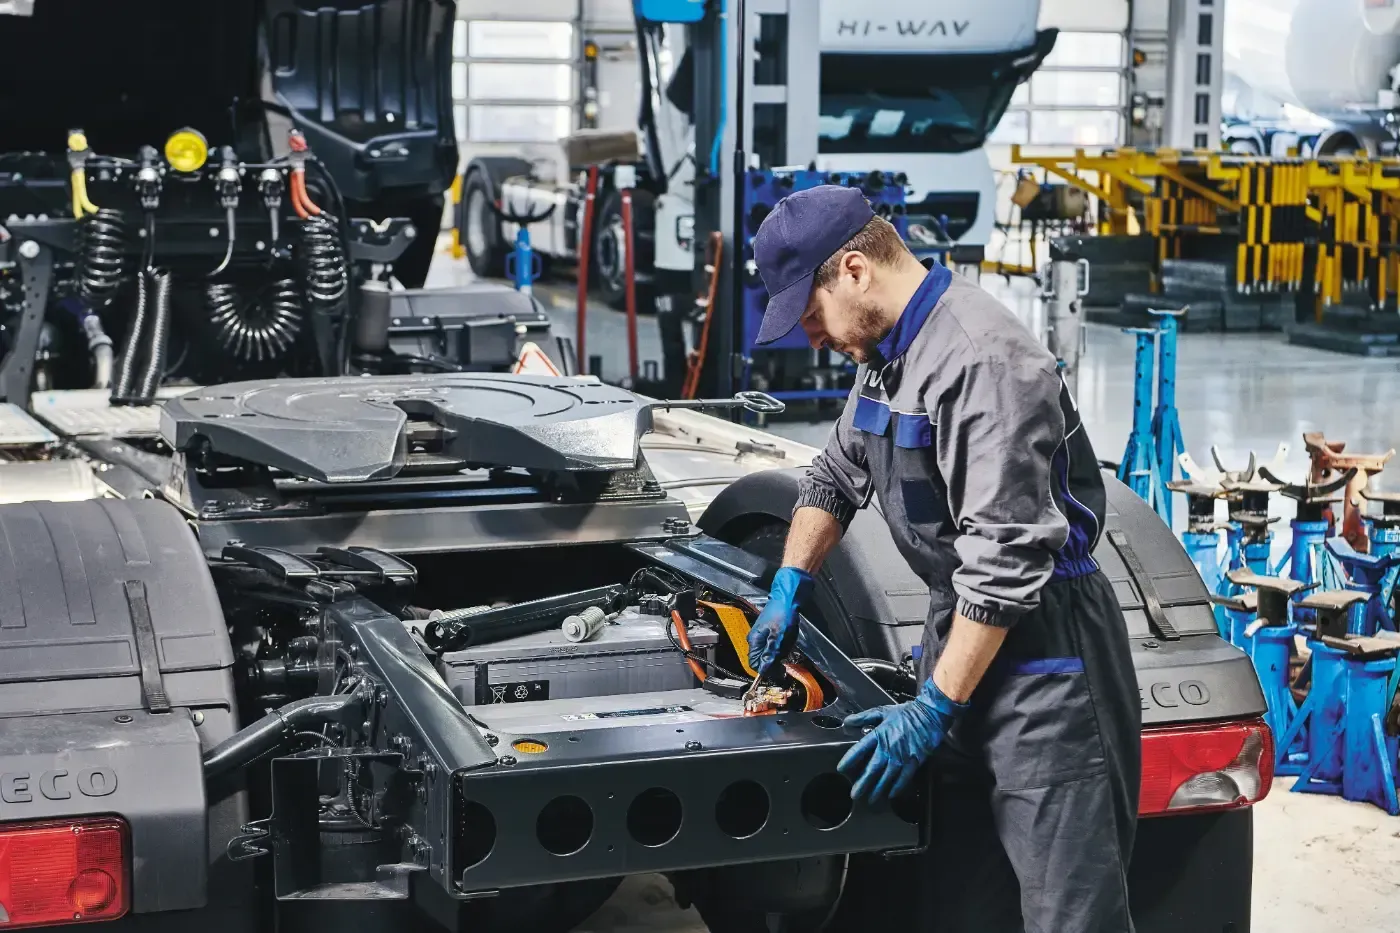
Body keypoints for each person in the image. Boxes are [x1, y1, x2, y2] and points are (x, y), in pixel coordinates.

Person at [744, 185, 1141, 933]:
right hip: (959, 652)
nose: (812, 338)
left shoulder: (979, 359)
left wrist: (932, 707)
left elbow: (1002, 564)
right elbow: (833, 477)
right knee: (961, 906)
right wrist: (790, 579)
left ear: (855, 271)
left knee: (1069, 913)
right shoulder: (886, 358)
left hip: (1044, 666)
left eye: (810, 313)